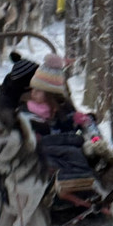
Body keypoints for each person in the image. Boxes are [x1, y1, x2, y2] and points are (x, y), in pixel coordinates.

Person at [20, 53, 97, 183]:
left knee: (82, 151)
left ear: (51, 95)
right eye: (33, 89)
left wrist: (86, 126)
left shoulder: (64, 110)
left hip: (65, 150)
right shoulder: (25, 112)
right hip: (37, 155)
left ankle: (84, 179)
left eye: (38, 91)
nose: (33, 93)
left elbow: (84, 130)